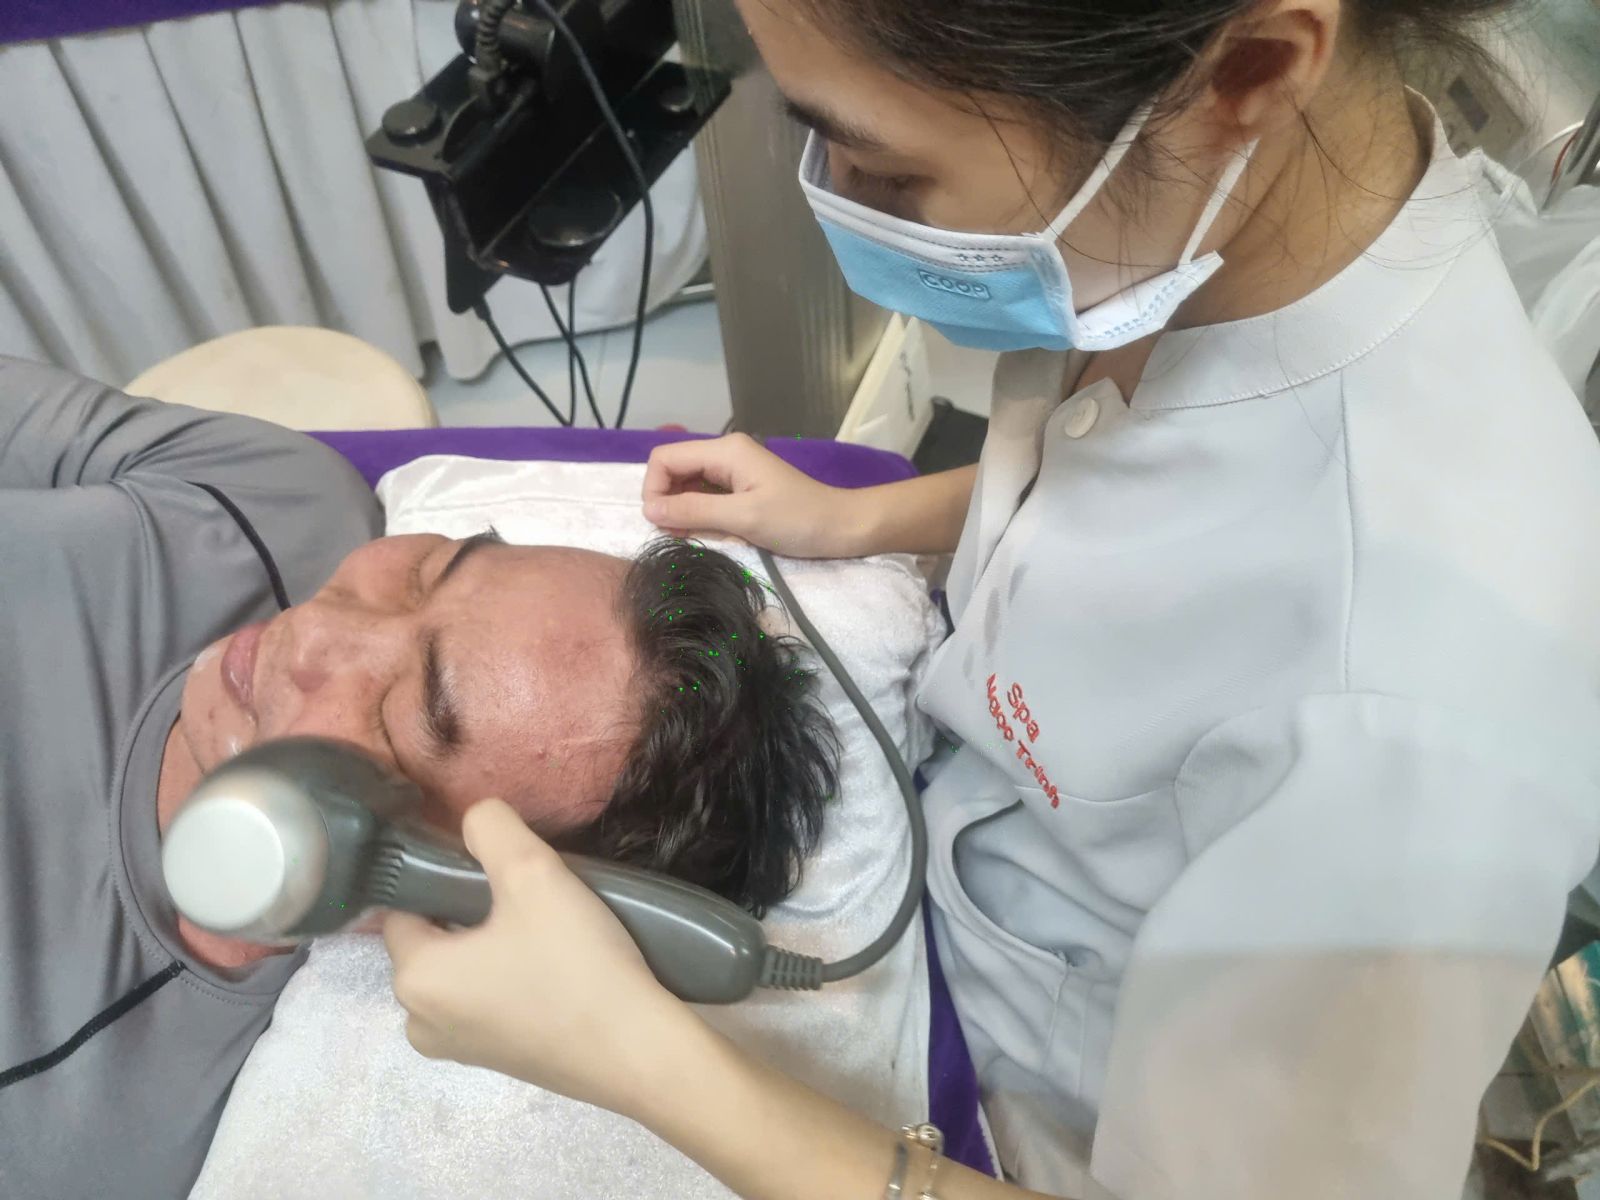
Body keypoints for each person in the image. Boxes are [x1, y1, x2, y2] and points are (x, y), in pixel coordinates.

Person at [379, 1, 1600, 1198]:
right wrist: (857, 518)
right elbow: (1139, 476)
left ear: (1250, 72)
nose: (847, 203)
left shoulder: (1405, 735)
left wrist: (640, 1062)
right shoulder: (1224, 226)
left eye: (892, 173)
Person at [0, 356, 837, 1200]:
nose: (315, 632)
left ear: (465, 888)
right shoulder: (281, 493)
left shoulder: (95, 1126)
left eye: (410, 714)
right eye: (428, 572)